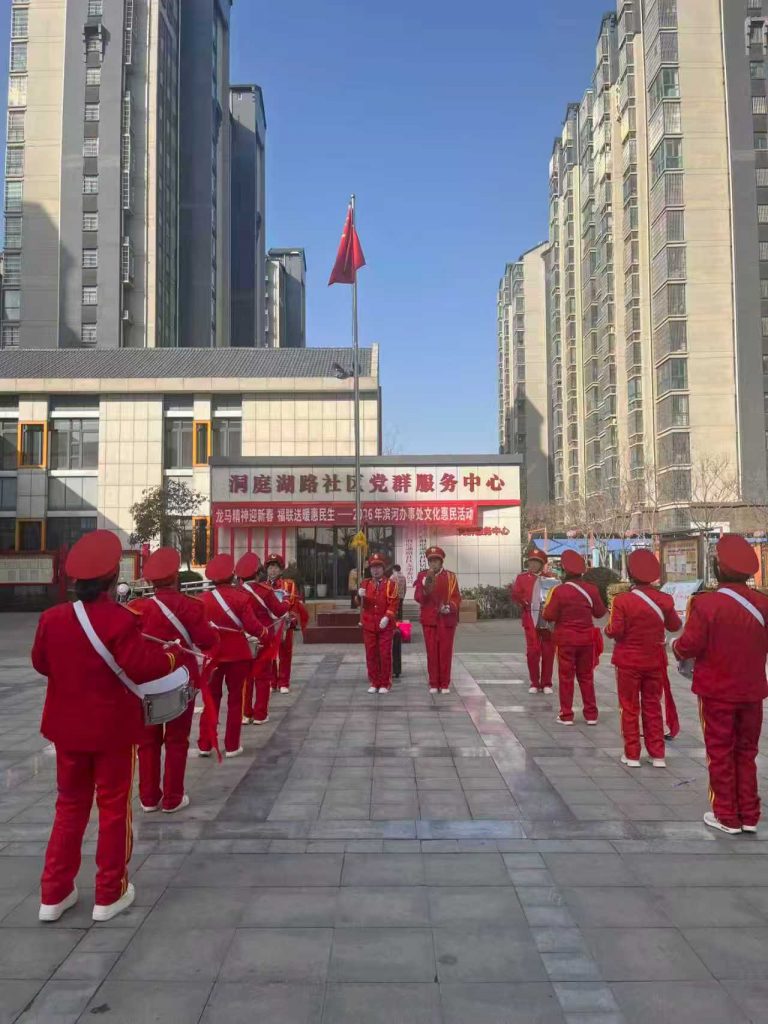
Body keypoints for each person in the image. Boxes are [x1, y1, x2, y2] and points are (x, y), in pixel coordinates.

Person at [31, 530, 177, 924]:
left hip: (66, 731)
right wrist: (170, 658)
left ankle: (54, 893)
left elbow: (41, 663)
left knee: (68, 806)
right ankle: (109, 892)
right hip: (112, 731)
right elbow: (142, 667)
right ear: (114, 580)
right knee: (113, 808)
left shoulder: (51, 618)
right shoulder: (120, 620)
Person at [672, 534, 768, 834]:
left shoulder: (706, 604)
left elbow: (689, 645)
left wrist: (675, 647)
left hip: (716, 691)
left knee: (720, 751)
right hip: (752, 691)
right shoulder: (763, 604)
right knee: (747, 752)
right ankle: (749, 815)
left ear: (717, 567)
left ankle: (726, 815)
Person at [130, 547, 218, 812]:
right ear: (176, 577)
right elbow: (207, 641)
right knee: (177, 739)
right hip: (181, 679)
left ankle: (148, 798)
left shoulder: (137, 608)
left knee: (147, 740)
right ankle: (173, 798)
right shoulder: (191, 606)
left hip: (146, 680)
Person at [604, 549, 681, 768]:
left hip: (628, 661)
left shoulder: (622, 601)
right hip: (655, 660)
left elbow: (616, 630)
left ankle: (632, 754)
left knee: (629, 707)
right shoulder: (664, 600)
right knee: (653, 706)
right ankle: (658, 755)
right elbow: (675, 626)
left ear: (630, 573)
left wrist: (606, 631)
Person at [198, 553, 268, 758]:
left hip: (213, 656)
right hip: (237, 655)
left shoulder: (202, 600)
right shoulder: (241, 598)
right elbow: (253, 627)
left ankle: (205, 744)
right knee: (235, 700)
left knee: (211, 700)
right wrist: (265, 633)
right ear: (232, 575)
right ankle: (231, 745)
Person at [542, 549, 606, 725]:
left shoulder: (559, 591)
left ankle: (567, 714)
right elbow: (600, 613)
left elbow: (549, 615)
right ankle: (591, 715)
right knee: (586, 677)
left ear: (564, 570)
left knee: (566, 677)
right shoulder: (591, 589)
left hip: (566, 640)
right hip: (587, 640)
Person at [236, 552, 290, 725]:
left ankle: (246, 714)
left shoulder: (236, 592)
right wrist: (286, 600)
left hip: (244, 638)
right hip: (264, 637)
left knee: (246, 677)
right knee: (262, 677)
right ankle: (260, 714)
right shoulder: (265, 591)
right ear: (258, 572)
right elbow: (280, 610)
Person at [414, 546, 461, 693]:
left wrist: (450, 607)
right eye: (431, 561)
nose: (433, 563)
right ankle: (434, 683)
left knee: (445, 652)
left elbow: (456, 597)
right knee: (432, 652)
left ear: (441, 562)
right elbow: (418, 598)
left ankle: (444, 683)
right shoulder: (422, 576)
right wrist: (423, 588)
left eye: (436, 561)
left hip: (446, 620)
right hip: (430, 620)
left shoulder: (450, 577)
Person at [510, 548, 556, 694]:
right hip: (530, 617)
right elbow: (516, 594)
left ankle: (547, 683)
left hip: (547, 618)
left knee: (548, 650)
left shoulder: (550, 579)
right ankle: (534, 682)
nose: (533, 564)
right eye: (531, 561)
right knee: (533, 651)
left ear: (542, 564)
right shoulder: (522, 578)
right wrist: (524, 601)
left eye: (537, 562)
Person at [355, 553, 399, 693]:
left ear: (383, 568)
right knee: (371, 654)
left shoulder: (391, 584)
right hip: (369, 625)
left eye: (378, 567)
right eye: (373, 567)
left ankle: (385, 683)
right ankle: (374, 682)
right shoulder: (365, 583)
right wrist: (358, 596)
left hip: (385, 625)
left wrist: (387, 617)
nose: (375, 570)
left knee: (384, 654)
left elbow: (394, 603)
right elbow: (360, 604)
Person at [264, 554, 303, 693]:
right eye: (270, 567)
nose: (273, 570)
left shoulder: (289, 584)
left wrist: (291, 618)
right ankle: (272, 682)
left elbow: (294, 604)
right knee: (269, 654)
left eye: (275, 567)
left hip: (284, 623)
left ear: (281, 570)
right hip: (269, 624)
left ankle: (283, 682)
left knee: (285, 653)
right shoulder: (263, 586)